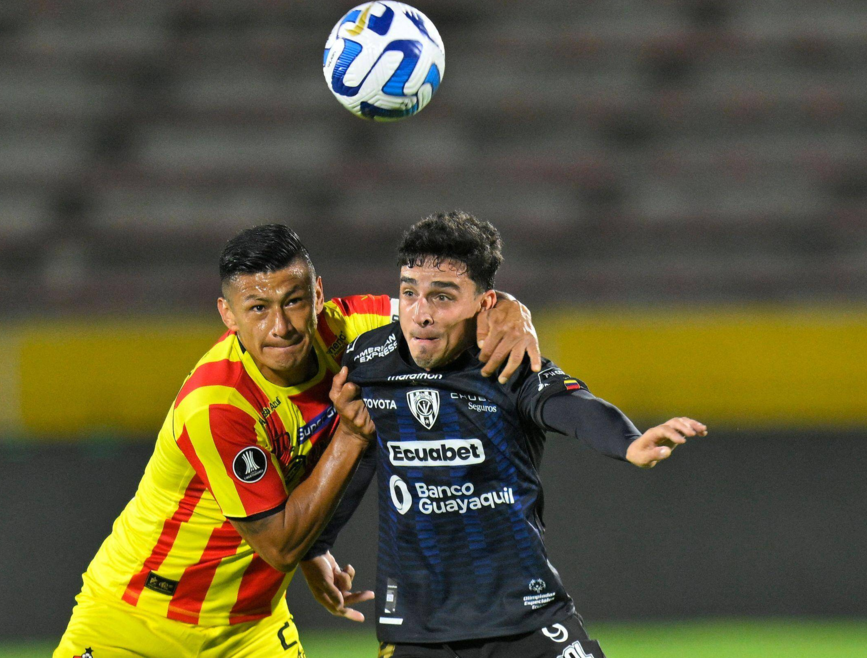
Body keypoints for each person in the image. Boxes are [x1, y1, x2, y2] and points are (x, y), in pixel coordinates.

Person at [54, 224, 544, 658]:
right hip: (136, 620)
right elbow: (280, 545)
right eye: (258, 308)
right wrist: (350, 437)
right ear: (228, 315)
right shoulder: (218, 404)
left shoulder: (350, 328)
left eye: (293, 301)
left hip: (251, 627)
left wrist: (508, 308)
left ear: (318, 293)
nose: (281, 327)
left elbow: (444, 309)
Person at [300, 213, 707, 658]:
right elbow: (359, 451)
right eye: (410, 293)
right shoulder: (368, 360)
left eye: (443, 297)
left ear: (485, 303)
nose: (421, 314)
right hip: (416, 631)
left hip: (525, 619)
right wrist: (317, 545)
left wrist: (627, 443)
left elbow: (569, 404)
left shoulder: (505, 361)